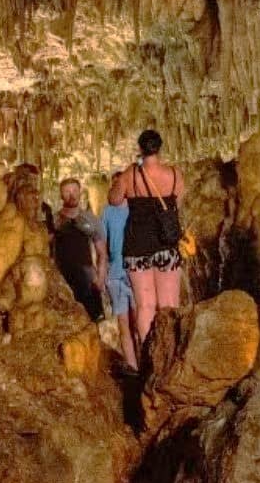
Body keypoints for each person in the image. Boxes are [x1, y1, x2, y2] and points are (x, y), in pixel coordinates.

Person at [109, 129, 185, 348]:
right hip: (165, 245)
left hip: (137, 247)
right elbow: (176, 204)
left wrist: (126, 183)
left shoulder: (129, 175)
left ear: (140, 149)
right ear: (159, 148)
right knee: (169, 304)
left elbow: (113, 200)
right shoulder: (174, 174)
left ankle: (148, 357)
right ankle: (170, 354)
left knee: (145, 306)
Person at [53, 177, 107, 321]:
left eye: (75, 190)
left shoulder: (91, 219)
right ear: (61, 195)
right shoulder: (54, 221)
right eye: (67, 191)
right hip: (63, 281)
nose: (71, 195)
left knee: (94, 322)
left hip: (88, 280)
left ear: (80, 192)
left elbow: (102, 253)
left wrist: (100, 279)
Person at [101, 175, 137, 371]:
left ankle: (147, 363)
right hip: (116, 273)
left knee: (140, 319)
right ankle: (133, 367)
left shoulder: (137, 208)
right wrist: (102, 272)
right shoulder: (107, 212)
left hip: (137, 271)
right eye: (115, 184)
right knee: (124, 323)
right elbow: (102, 244)